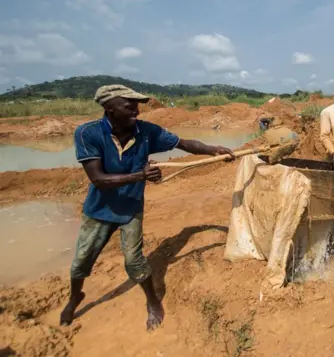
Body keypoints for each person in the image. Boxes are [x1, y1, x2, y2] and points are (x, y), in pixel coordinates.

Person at [60, 84, 235, 330]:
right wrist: (139, 176)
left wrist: (212, 149)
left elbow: (183, 143)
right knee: (81, 261)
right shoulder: (87, 133)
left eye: (137, 107)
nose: (137, 112)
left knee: (134, 260)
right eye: (129, 107)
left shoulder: (146, 131)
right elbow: (98, 179)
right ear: (110, 108)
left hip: (131, 209)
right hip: (98, 210)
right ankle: (74, 298)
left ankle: (152, 301)